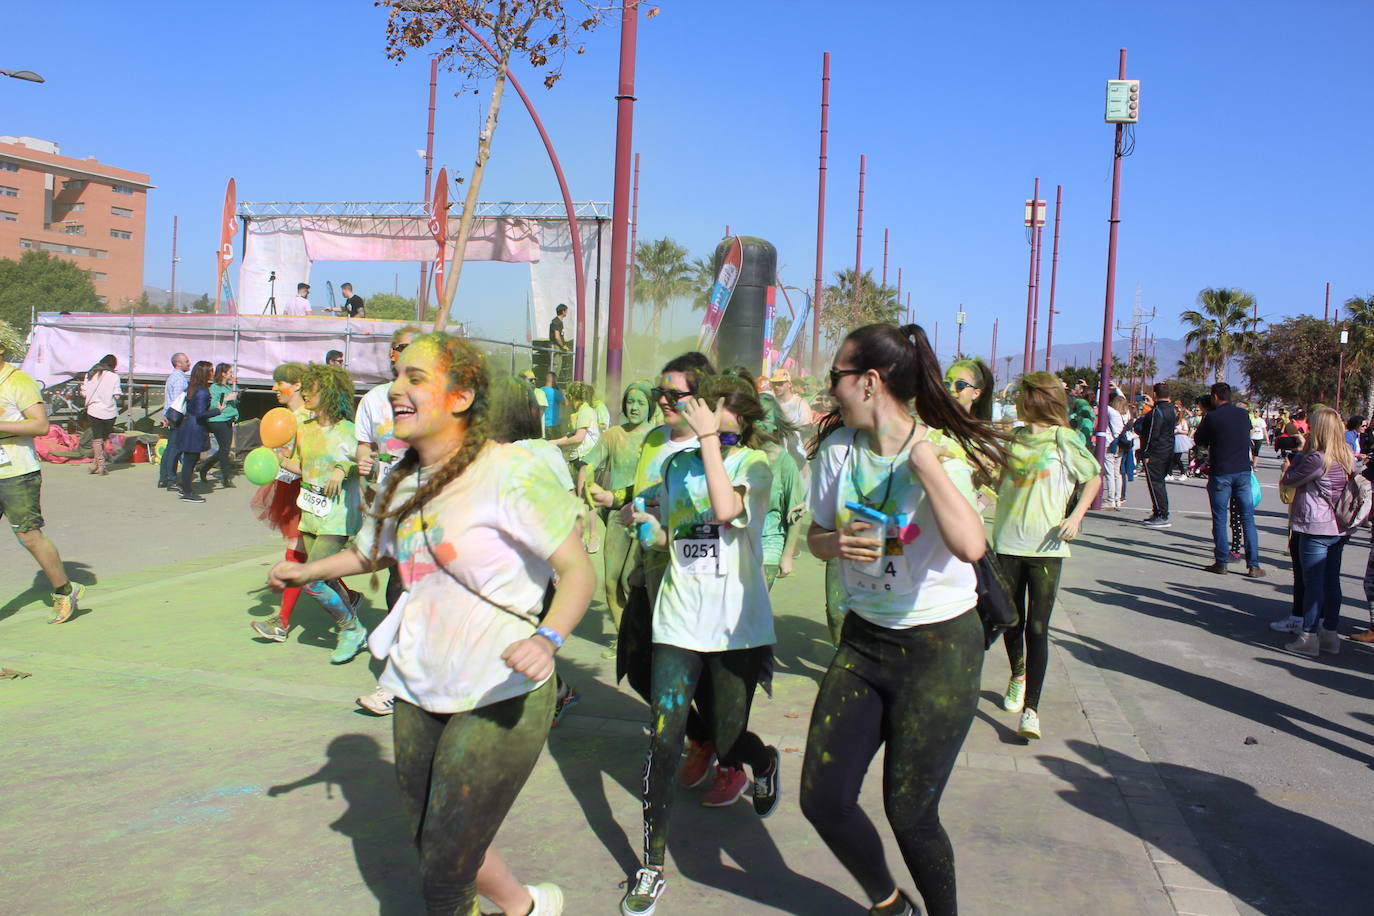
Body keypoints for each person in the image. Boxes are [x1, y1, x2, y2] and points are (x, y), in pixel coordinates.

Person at [269, 333, 592, 916]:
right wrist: (307, 570)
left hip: (499, 689)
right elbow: (373, 553)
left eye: (417, 378)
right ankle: (524, 908)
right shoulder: (404, 478)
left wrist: (548, 639)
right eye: (399, 376)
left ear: (462, 396)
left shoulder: (510, 471)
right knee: (433, 836)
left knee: (444, 872)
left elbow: (576, 571)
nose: (397, 388)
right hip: (416, 682)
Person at [803, 323, 1010, 916]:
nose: (831, 387)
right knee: (824, 799)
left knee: (910, 811)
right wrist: (837, 542)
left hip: (939, 647)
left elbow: (971, 545)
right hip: (865, 641)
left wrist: (926, 463)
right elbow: (816, 538)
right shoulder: (840, 448)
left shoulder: (938, 451)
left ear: (869, 382)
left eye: (837, 376)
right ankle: (889, 905)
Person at [620, 375, 780, 916]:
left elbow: (726, 511)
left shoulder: (754, 465)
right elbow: (680, 534)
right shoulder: (673, 464)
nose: (689, 411)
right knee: (664, 742)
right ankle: (651, 867)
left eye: (707, 407)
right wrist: (645, 522)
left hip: (736, 624)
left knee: (729, 738)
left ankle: (763, 762)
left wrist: (709, 441)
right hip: (680, 618)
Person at [992, 372, 1102, 740]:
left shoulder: (1064, 438)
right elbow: (994, 479)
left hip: (1047, 546)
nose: (1018, 400)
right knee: (1011, 621)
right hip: (1007, 541)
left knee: (1038, 627)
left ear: (1037, 399)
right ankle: (1017, 675)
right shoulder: (1014, 438)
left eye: (1023, 395)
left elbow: (1093, 477)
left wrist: (1076, 515)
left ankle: (1032, 711)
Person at [353, 326, 421, 715]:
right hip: (387, 506)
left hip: (429, 507)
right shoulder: (374, 400)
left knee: (405, 590)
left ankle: (394, 685)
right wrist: (363, 462)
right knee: (402, 592)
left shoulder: (435, 398)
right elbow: (365, 447)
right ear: (392, 354)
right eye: (403, 348)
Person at [0, 320, 83, 622]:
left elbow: (40, 425)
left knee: (29, 536)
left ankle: (64, 590)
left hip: (16, 472)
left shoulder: (17, 381)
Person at [293, 362, 367, 664]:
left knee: (311, 579)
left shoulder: (349, 431)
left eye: (313, 388)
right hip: (309, 513)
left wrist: (342, 468)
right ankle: (354, 619)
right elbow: (301, 467)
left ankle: (350, 629)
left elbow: (363, 460)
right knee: (330, 577)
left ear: (330, 392)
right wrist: (273, 462)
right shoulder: (304, 429)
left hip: (337, 518)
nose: (306, 393)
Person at [582, 380, 657, 637]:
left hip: (646, 514)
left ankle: (642, 635)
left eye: (641, 402)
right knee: (611, 581)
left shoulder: (657, 437)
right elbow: (589, 463)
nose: (634, 407)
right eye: (630, 401)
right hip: (615, 516)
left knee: (630, 578)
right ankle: (623, 638)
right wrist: (586, 481)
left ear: (650, 406)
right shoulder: (613, 434)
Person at [1277, 407, 1354, 657]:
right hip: (1339, 527)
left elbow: (1290, 479)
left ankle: (1308, 636)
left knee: (1313, 584)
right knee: (1332, 582)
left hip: (1315, 525)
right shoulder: (1346, 455)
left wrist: (1292, 461)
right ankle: (1330, 634)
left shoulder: (1317, 458)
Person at [250, 363, 312, 644]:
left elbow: (311, 462)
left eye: (281, 382)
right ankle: (350, 602)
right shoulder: (283, 417)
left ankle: (282, 623)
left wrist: (283, 460)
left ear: (298, 385)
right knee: (304, 555)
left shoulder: (308, 419)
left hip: (306, 490)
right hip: (288, 487)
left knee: (297, 555)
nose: (275, 388)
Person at [1194, 383, 1264, 577]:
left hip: (1221, 472)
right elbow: (1247, 433)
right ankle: (1253, 564)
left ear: (1215, 397)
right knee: (1247, 518)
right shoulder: (1243, 414)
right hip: (1242, 471)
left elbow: (1199, 440)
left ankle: (1221, 562)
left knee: (1220, 517)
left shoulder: (1211, 417)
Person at [757, 392, 806, 587]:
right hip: (738, 544)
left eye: (765, 418)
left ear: (776, 424)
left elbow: (796, 511)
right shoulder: (738, 455)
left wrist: (787, 555)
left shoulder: (784, 462)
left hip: (769, 543)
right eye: (755, 417)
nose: (758, 423)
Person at [1134, 381, 1177, 528]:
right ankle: (1159, 512)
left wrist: (1146, 452)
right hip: (1168, 450)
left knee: (1155, 483)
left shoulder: (1156, 413)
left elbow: (1152, 433)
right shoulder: (1171, 410)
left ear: (1154, 394)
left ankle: (1161, 514)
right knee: (1159, 483)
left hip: (1156, 452)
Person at [173, 361, 214, 503]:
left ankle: (186, 488)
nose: (212, 373)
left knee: (189, 461)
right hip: (195, 429)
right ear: (205, 373)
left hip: (188, 426)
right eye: (211, 371)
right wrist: (217, 411)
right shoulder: (202, 391)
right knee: (190, 461)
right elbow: (200, 414)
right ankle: (187, 492)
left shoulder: (193, 387)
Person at [197, 363, 239, 487]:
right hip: (218, 420)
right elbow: (213, 404)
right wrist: (227, 398)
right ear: (223, 373)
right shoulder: (214, 388)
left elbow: (232, 403)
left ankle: (204, 467)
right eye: (230, 372)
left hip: (228, 419)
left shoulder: (226, 387)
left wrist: (235, 397)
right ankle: (226, 478)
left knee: (224, 449)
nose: (232, 374)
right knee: (225, 449)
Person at [79, 353, 120, 476]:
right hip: (110, 412)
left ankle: (98, 465)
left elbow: (84, 394)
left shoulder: (90, 375)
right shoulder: (114, 377)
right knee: (103, 438)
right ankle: (97, 465)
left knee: (97, 438)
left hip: (93, 410)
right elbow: (117, 395)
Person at [157, 352, 191, 489]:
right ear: (178, 363)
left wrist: (165, 415)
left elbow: (169, 401)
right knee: (175, 449)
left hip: (171, 415)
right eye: (186, 361)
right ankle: (171, 479)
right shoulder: (179, 379)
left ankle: (164, 477)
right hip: (178, 416)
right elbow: (178, 400)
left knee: (170, 447)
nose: (189, 363)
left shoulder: (173, 377)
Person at [549, 381, 599, 464]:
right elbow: (572, 435)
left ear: (571, 397)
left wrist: (557, 443)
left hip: (583, 460)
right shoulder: (585, 410)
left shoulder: (585, 412)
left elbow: (578, 438)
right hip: (583, 459)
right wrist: (554, 442)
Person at [1102, 394, 1130, 510]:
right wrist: (1117, 389)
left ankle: (1111, 499)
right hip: (1121, 446)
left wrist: (1101, 387)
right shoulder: (1126, 416)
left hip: (1110, 444)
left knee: (1109, 474)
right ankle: (1118, 499)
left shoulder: (1113, 414)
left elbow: (1102, 403)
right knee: (1117, 473)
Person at [539, 372, 565, 438]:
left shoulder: (539, 391)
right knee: (555, 445)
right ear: (553, 380)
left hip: (541, 424)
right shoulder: (555, 392)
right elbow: (566, 403)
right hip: (553, 424)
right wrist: (562, 393)